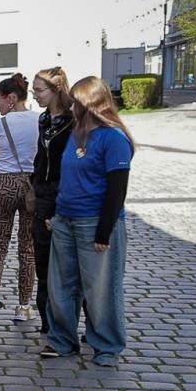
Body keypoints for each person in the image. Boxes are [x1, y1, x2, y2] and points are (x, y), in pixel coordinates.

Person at [42, 76, 134, 366]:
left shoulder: (113, 138)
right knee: (61, 285)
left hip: (94, 221)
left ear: (93, 103)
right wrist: (56, 215)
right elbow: (68, 178)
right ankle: (62, 340)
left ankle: (106, 345)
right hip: (66, 220)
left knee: (100, 289)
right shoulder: (77, 134)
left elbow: (118, 188)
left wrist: (104, 231)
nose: (73, 106)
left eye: (78, 102)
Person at [0, 73, 39, 322]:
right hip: (31, 185)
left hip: (3, 183)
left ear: (11, 99)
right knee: (27, 247)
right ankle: (24, 306)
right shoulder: (40, 120)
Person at [29, 67, 74, 335]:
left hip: (65, 193)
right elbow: (40, 155)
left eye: (39, 90)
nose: (35, 95)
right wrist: (34, 186)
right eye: (34, 90)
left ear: (56, 89)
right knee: (42, 259)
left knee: (69, 263)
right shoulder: (44, 119)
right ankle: (47, 321)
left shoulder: (73, 119)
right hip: (44, 193)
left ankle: (75, 322)